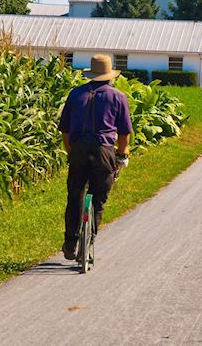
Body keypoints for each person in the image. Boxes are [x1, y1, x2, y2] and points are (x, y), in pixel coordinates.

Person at [58, 54, 132, 260]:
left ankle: (70, 242)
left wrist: (70, 152)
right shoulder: (118, 96)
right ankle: (88, 243)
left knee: (75, 195)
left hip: (79, 148)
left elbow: (64, 130)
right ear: (110, 75)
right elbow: (124, 132)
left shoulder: (75, 94)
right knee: (98, 198)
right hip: (104, 150)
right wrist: (121, 155)